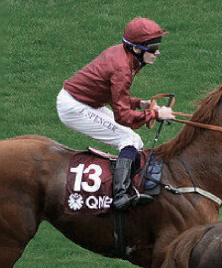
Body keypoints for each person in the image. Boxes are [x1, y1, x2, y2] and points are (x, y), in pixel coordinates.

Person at [57, 17, 176, 211]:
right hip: (75, 108)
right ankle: (119, 196)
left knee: (135, 140)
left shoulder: (124, 55)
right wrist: (155, 115)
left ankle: (124, 187)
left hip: (83, 101)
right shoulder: (122, 68)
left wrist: (141, 103)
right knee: (128, 140)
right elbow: (123, 116)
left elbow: (115, 96)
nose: (158, 52)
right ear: (137, 49)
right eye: (154, 48)